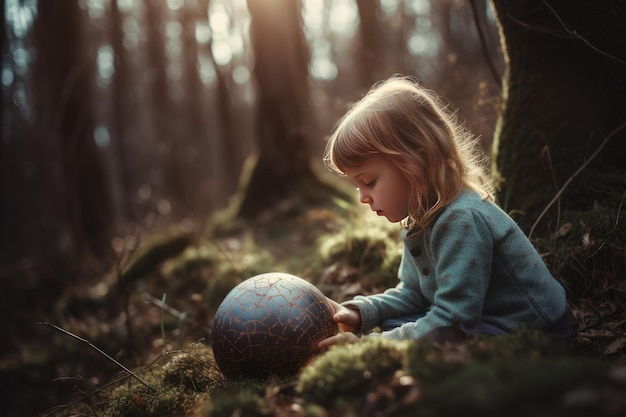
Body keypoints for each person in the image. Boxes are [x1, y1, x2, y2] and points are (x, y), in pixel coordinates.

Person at [318, 76, 571, 348]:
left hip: (530, 328)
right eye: (357, 186)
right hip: (476, 316)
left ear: (418, 161)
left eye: (369, 182)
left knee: (421, 337)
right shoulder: (419, 220)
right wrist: (362, 312)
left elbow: (454, 320)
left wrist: (370, 346)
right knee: (394, 324)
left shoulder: (461, 219)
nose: (364, 198)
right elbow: (414, 293)